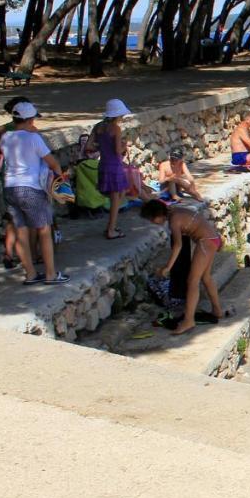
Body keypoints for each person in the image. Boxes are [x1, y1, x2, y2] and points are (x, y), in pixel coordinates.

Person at [0, 101, 68, 285]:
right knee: (44, 230)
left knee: (21, 231)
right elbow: (52, 163)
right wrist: (61, 182)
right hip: (31, 188)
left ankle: (30, 274)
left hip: (10, 188)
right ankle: (50, 274)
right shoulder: (34, 139)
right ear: (30, 119)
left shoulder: (5, 137)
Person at [141, 200, 226, 335]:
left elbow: (178, 246)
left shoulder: (174, 220)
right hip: (213, 238)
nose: (152, 223)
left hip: (206, 242)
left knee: (192, 281)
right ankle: (218, 310)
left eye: (152, 219)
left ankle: (189, 320)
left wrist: (167, 267)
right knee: (206, 277)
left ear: (157, 215)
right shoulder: (174, 211)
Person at [0, 96, 33, 268]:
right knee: (28, 219)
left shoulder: (2, 130)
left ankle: (8, 254)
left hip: (7, 177)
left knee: (12, 218)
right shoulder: (30, 130)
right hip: (26, 177)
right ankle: (29, 256)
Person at [93, 98, 135, 240]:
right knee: (116, 197)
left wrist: (103, 147)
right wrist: (125, 145)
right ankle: (111, 230)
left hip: (103, 164)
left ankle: (111, 224)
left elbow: (89, 146)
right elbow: (118, 150)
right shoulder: (116, 128)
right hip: (115, 166)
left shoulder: (98, 126)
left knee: (120, 193)